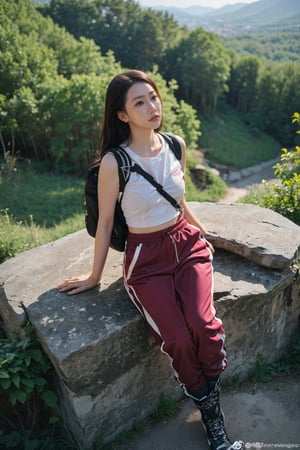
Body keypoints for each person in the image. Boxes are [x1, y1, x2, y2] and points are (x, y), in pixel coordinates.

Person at [58, 70, 244, 450]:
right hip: (146, 258)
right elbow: (106, 223)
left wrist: (200, 229)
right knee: (176, 336)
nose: (151, 107)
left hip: (186, 244)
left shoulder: (175, 144)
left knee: (203, 324)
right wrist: (95, 275)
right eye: (139, 102)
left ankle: (210, 406)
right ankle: (208, 406)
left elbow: (176, 197)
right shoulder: (115, 162)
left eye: (153, 97)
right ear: (122, 115)